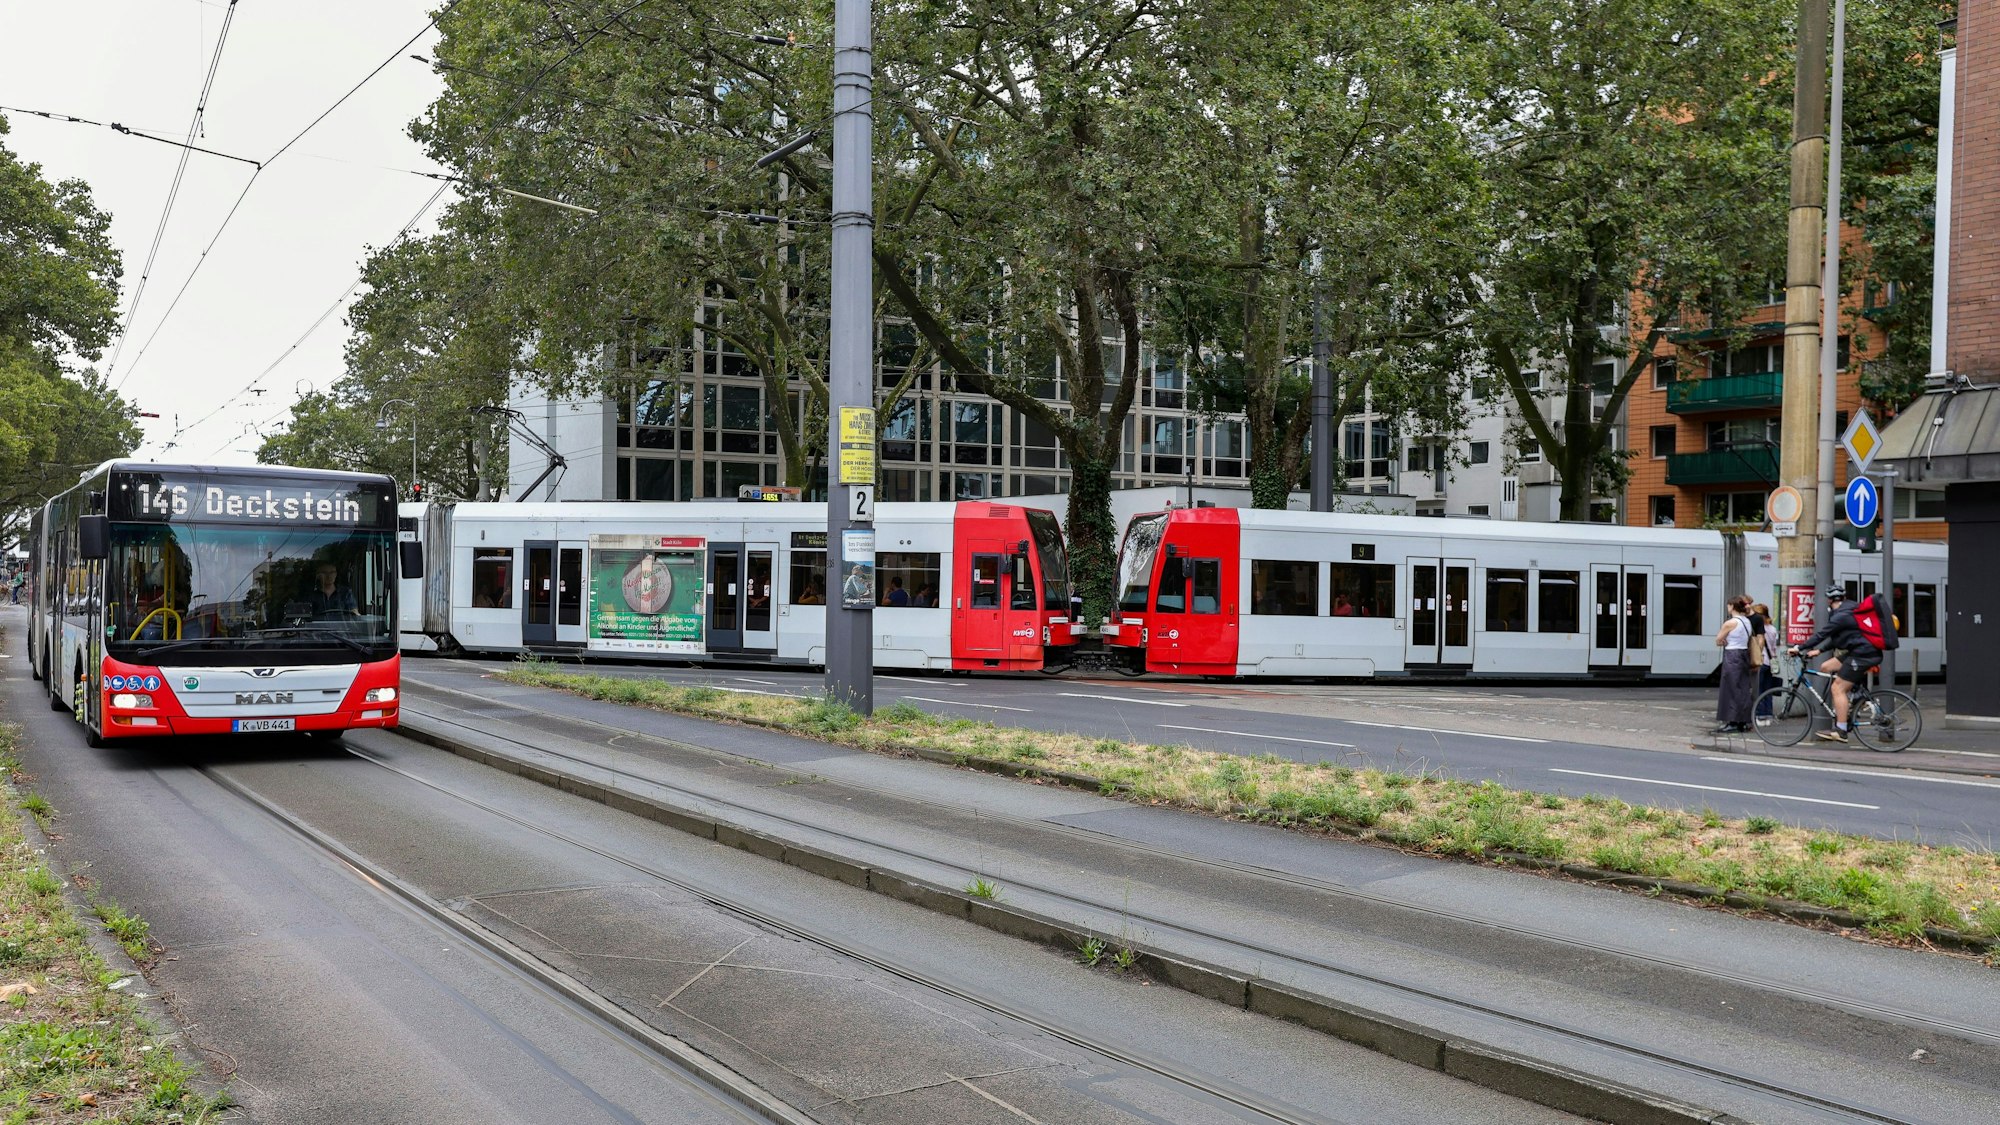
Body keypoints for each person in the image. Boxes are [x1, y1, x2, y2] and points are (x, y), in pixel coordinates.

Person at [1790, 586, 1882, 743]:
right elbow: (1838, 638)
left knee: (1837, 688)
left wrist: (1799, 648)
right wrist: (1819, 650)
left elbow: (1821, 634)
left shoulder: (1841, 615)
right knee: (1826, 667)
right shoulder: (1850, 609)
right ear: (1843, 597)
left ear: (1829, 600)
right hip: (1860, 650)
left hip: (1863, 654)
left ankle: (1841, 729)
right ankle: (1851, 697)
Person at [1712, 594, 1754, 733]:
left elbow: (1718, 640)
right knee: (1742, 687)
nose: (1727, 608)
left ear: (1732, 606)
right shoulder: (1747, 621)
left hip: (1732, 655)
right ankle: (1743, 721)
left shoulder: (1730, 623)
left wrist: (1723, 641)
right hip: (1744, 654)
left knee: (1730, 687)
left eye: (1728, 605)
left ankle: (1732, 721)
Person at [1750, 601, 1779, 717]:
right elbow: (1774, 648)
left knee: (1759, 690)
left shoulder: (1759, 629)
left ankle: (1760, 714)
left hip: (1760, 661)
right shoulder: (1772, 629)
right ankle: (1768, 714)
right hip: (1770, 663)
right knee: (1768, 691)